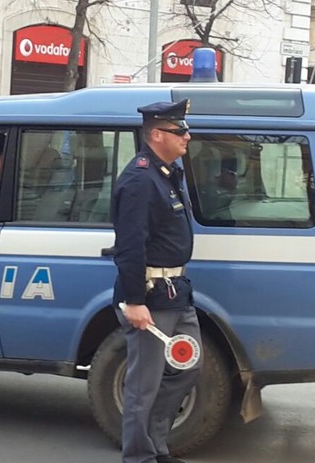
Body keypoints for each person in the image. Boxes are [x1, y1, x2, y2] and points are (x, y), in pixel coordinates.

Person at [111, 99, 203, 463]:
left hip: (176, 293)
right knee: (142, 386)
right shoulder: (139, 179)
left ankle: (156, 444)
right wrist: (134, 301)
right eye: (179, 131)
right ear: (156, 135)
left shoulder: (166, 173)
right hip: (149, 295)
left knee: (188, 367)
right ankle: (139, 456)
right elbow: (130, 246)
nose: (187, 137)